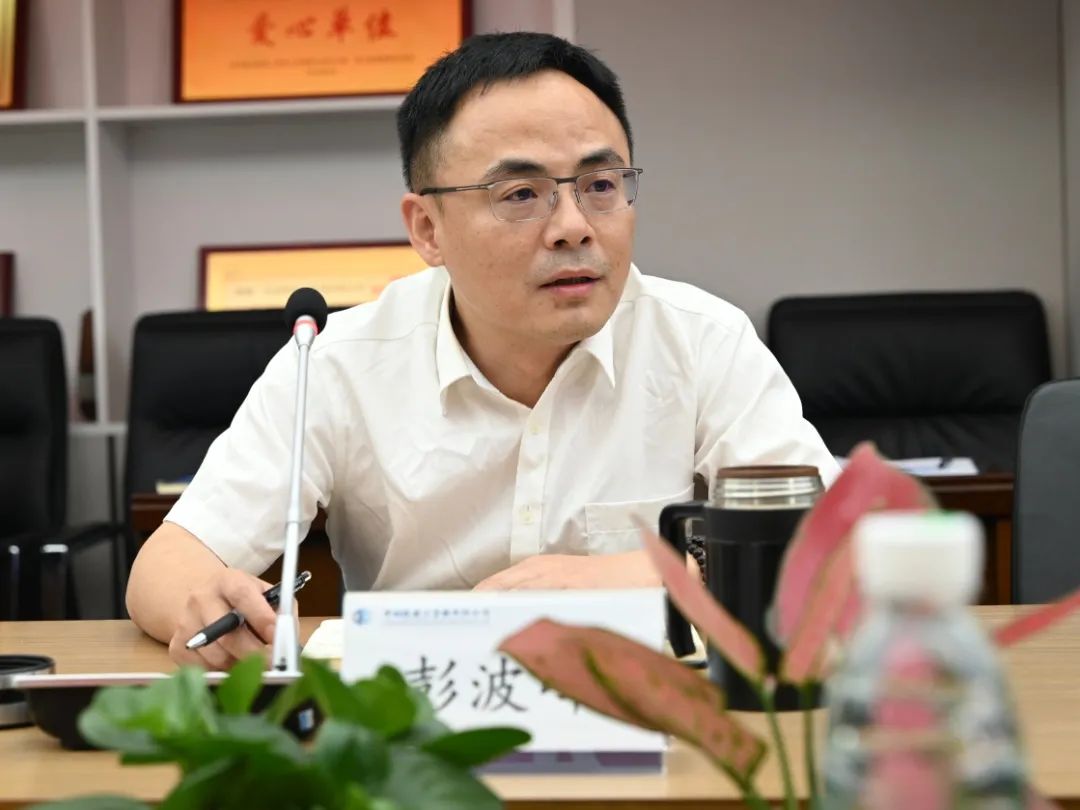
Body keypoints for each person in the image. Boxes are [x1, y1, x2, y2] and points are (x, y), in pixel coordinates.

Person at [126, 32, 839, 669]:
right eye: (520, 194)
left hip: (655, 718)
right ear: (427, 228)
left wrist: (640, 575)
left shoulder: (703, 340)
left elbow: (837, 548)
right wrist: (204, 602)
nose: (572, 226)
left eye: (600, 185)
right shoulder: (340, 361)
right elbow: (168, 565)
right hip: (417, 727)